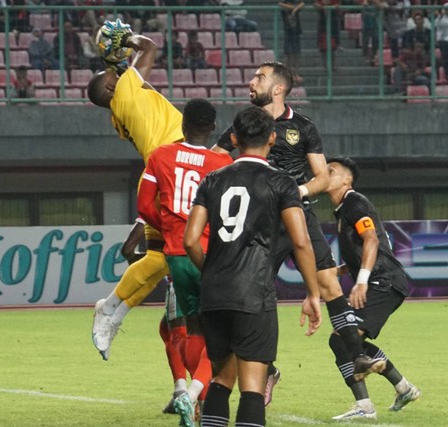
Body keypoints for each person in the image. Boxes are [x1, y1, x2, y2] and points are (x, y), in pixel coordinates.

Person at [214, 62, 386, 408]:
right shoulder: (246, 124)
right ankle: (269, 370)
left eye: (259, 77)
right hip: (260, 220)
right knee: (249, 292)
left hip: (297, 212)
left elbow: (322, 177)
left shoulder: (303, 126)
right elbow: (215, 159)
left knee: (330, 285)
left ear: (278, 88)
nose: (251, 82)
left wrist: (295, 192)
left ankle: (358, 357)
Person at [184, 106, 322, 427]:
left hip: (214, 292)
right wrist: (313, 293)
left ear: (233, 138)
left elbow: (190, 240)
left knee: (220, 379)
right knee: (252, 388)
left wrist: (210, 271)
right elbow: (301, 241)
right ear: (273, 137)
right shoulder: (282, 183)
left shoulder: (212, 180)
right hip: (254, 293)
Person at [87, 26, 185, 361]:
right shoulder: (125, 91)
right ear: (112, 86)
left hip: (163, 170)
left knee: (159, 257)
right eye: (110, 75)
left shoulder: (120, 110)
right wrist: (124, 40)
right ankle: (110, 309)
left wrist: (114, 57)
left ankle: (112, 311)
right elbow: (151, 46)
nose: (115, 73)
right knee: (163, 256)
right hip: (173, 168)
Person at [137, 99, 233, 426]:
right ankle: (194, 397)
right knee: (221, 335)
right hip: (208, 255)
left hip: (177, 254)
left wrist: (167, 227)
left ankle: (192, 407)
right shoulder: (221, 164)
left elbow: (143, 205)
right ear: (212, 127)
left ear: (183, 125)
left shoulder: (160, 156)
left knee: (192, 327)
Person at [324, 156, 420, 421]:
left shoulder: (355, 202)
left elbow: (371, 240)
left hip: (382, 281)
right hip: (382, 279)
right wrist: (343, 270)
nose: (324, 173)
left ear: (347, 179)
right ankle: (403, 389)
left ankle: (365, 407)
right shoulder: (344, 209)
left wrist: (362, 279)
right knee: (347, 340)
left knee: (342, 339)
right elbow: (364, 245)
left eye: (331, 171)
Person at [119, 217, 191, 415]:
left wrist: (150, 265)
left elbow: (127, 249)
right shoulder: (197, 201)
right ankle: (185, 392)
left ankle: (191, 395)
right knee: (168, 329)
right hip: (211, 274)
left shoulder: (157, 207)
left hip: (182, 275)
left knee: (180, 334)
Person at [279, 0, 304, 81]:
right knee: (288, 55)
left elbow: (302, 4)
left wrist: (295, 10)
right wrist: (293, 8)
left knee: (296, 55)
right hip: (288, 33)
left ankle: (296, 73)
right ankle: (288, 74)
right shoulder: (284, 11)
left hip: (295, 33)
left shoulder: (295, 10)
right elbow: (280, 4)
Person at [315, 0, 341, 70]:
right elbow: (316, 4)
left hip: (333, 18)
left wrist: (331, 5)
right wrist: (321, 5)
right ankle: (325, 65)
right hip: (323, 19)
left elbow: (338, 5)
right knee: (323, 44)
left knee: (333, 44)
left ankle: (333, 65)